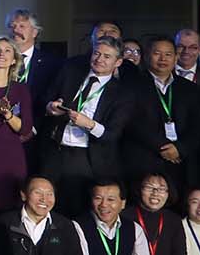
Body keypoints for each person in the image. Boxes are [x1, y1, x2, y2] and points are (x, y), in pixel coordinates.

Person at [41, 39, 132, 217]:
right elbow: (45, 98)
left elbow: (112, 134)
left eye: (107, 56)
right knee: (48, 207)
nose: (99, 59)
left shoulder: (123, 93)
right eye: (96, 53)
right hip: (55, 150)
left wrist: (89, 124)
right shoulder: (70, 73)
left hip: (87, 158)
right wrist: (51, 107)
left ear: (118, 62)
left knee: (78, 211)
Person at [129, 35, 200, 201]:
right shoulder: (131, 85)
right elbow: (133, 123)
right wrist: (163, 147)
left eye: (168, 54)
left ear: (176, 57)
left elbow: (198, 126)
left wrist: (180, 148)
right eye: (157, 53)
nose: (163, 59)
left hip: (181, 162)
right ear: (147, 55)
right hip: (145, 159)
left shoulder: (190, 89)